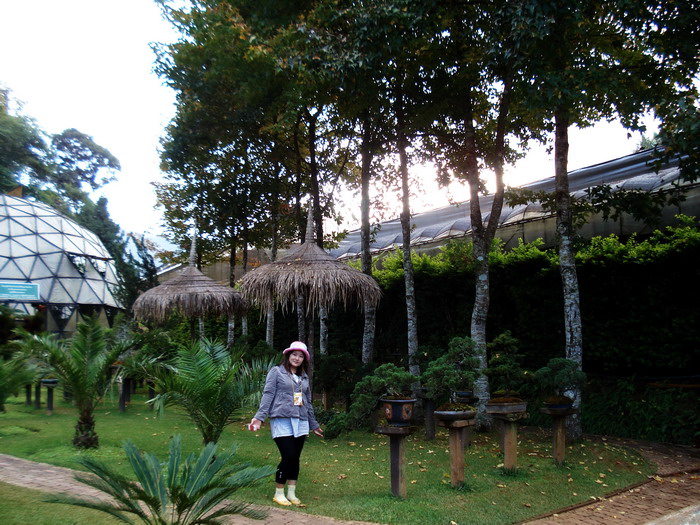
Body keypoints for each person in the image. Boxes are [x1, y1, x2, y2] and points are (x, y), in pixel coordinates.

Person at [249, 341, 323, 506]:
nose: (297, 358)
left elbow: (308, 402)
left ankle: (291, 493)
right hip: (282, 419)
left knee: (295, 458)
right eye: (294, 354)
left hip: (301, 420)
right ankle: (279, 493)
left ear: (304, 359)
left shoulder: (304, 377)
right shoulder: (276, 372)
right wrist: (260, 417)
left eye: (301, 356)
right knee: (288, 456)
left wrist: (313, 424)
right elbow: (268, 394)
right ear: (288, 355)